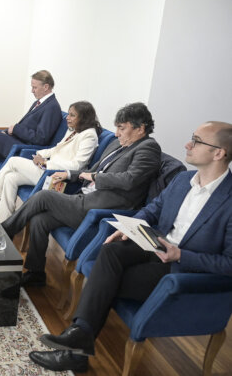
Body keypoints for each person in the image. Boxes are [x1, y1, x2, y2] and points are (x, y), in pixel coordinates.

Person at [28, 121, 232, 373]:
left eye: (197, 141)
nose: (187, 144)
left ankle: (77, 348)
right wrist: (129, 226)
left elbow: (229, 263)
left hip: (182, 269)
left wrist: (181, 255)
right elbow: (153, 209)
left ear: (219, 153)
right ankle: (80, 337)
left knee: (104, 281)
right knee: (111, 250)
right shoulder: (183, 180)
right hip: (156, 246)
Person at [2, 103, 162, 287]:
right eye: (117, 128)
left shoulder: (148, 148)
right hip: (84, 198)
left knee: (44, 196)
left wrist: (95, 177)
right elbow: (92, 170)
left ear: (140, 128)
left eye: (122, 128)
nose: (117, 133)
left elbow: (130, 180)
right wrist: (69, 174)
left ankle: (5, 232)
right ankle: (35, 273)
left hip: (101, 208)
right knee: (40, 220)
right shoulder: (117, 144)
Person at [0, 101, 101, 222]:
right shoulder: (75, 130)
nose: (67, 118)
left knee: (13, 161)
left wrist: (47, 163)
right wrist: (39, 154)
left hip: (57, 176)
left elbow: (77, 165)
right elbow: (56, 149)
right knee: (10, 178)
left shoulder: (89, 136)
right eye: (68, 114)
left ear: (84, 118)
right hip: (47, 169)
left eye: (72, 115)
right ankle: (3, 222)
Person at [0, 70, 62, 190]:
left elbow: (41, 138)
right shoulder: (40, 102)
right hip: (16, 141)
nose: (32, 91)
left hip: (24, 149)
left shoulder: (52, 107)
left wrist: (16, 129)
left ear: (46, 87)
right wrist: (8, 132)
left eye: (34, 87)